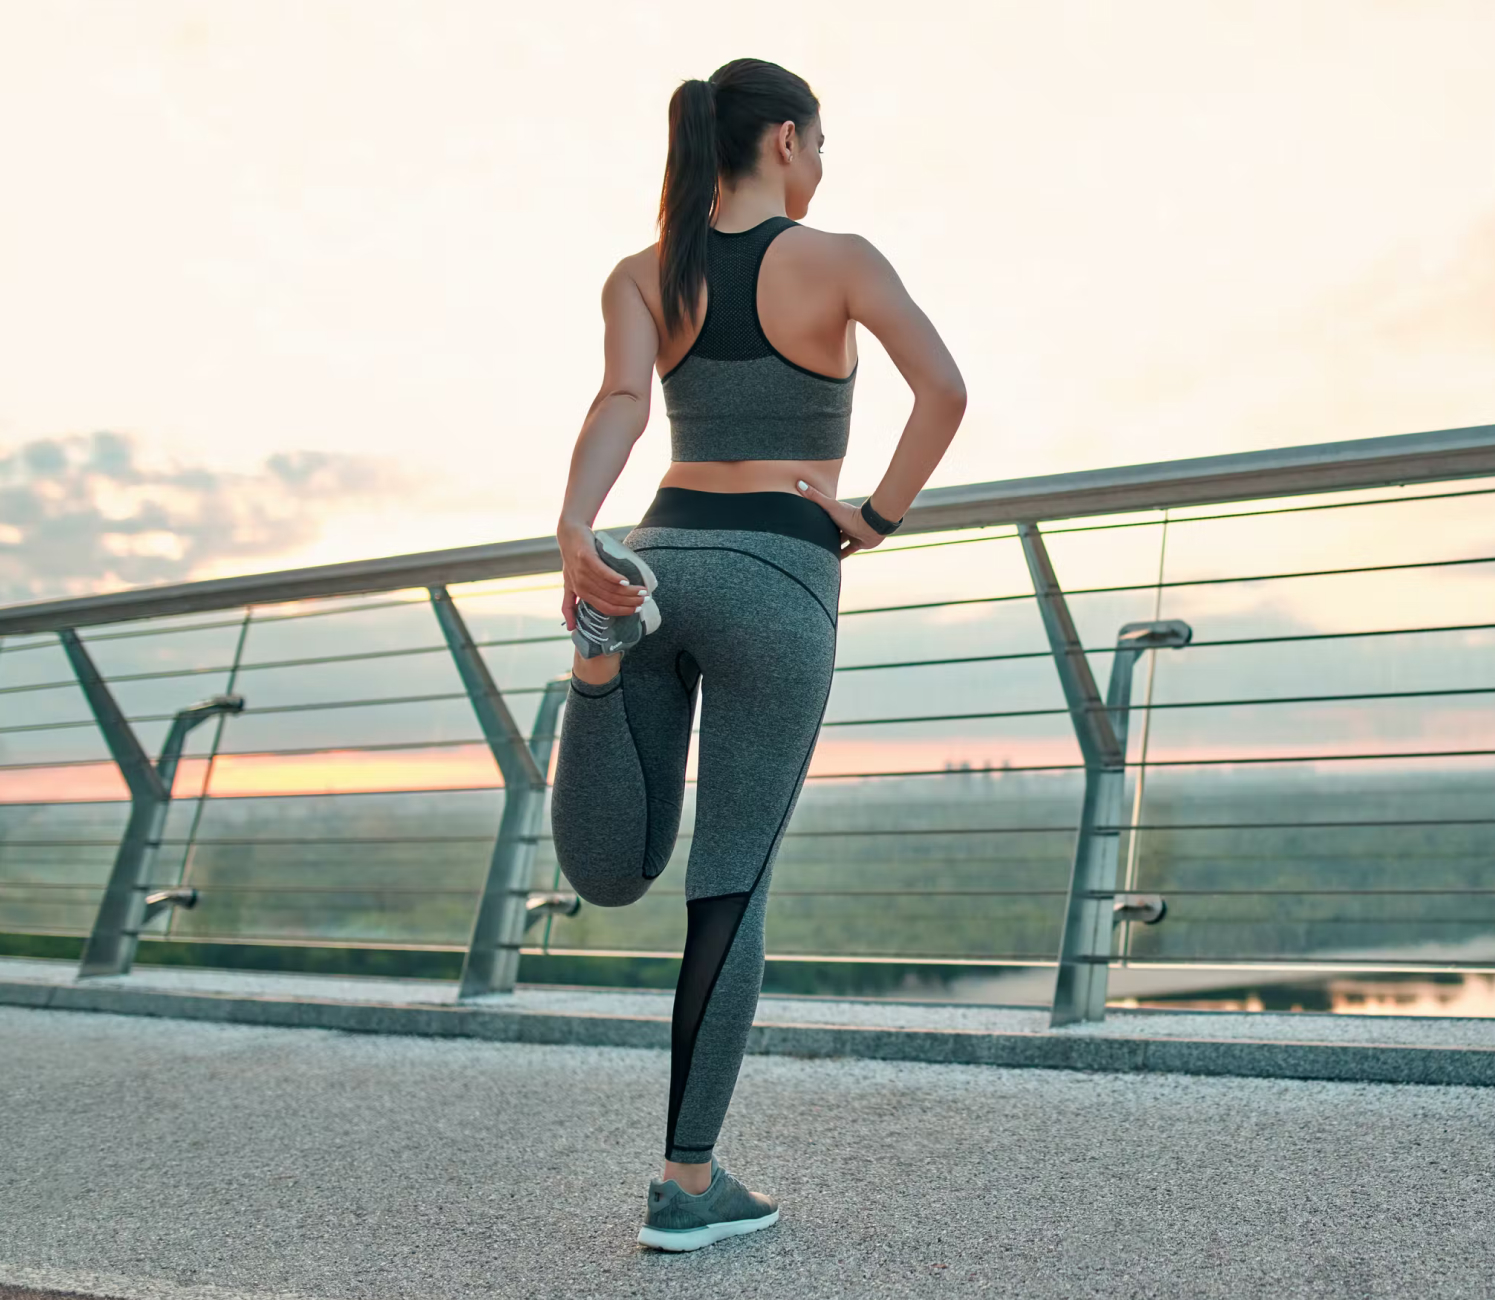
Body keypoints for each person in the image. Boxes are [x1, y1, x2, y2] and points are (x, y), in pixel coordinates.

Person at [549, 57, 966, 1252]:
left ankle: (598, 655)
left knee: (614, 870)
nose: (823, 164)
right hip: (783, 569)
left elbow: (621, 403)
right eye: (819, 142)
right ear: (784, 140)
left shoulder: (642, 273)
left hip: (660, 553)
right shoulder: (837, 258)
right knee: (729, 878)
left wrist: (579, 528)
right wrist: (877, 515)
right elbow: (942, 389)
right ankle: (686, 1182)